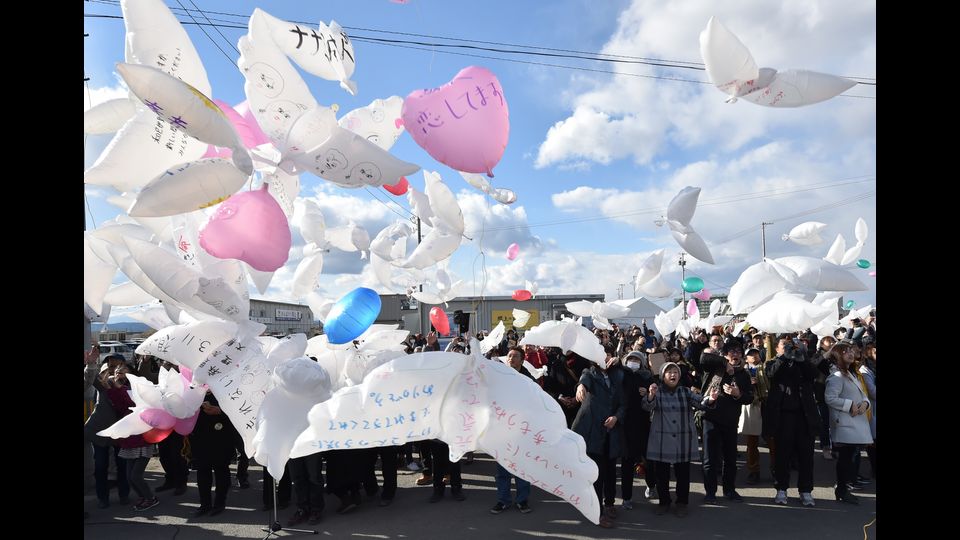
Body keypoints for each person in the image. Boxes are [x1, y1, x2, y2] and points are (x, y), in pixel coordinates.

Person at [643, 362, 719, 518]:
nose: (673, 375)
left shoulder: (685, 391)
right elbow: (646, 407)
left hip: (682, 439)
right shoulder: (657, 392)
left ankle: (682, 503)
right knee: (662, 475)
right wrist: (650, 395)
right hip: (662, 439)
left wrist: (710, 399)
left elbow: (700, 402)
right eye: (669, 372)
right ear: (663, 376)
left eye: (675, 372)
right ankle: (664, 502)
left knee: (683, 474)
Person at [572, 343, 625, 529]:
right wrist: (580, 387)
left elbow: (623, 404)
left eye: (607, 355)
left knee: (611, 471)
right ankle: (597, 512)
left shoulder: (619, 375)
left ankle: (610, 503)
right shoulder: (590, 372)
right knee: (597, 473)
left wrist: (617, 417)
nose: (603, 359)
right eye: (600, 355)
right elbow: (583, 380)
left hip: (612, 431)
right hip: (592, 430)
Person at [764, 337, 821, 507]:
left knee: (806, 455)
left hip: (804, 416)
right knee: (782, 454)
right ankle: (781, 488)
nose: (789, 348)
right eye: (785, 345)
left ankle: (805, 490)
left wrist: (801, 357)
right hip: (783, 416)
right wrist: (785, 357)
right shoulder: (773, 362)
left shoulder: (803, 362)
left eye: (792, 345)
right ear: (777, 348)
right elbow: (771, 374)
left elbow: (814, 375)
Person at [699, 339, 752, 504]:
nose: (735, 354)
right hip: (711, 418)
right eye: (731, 351)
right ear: (725, 353)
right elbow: (703, 359)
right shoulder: (716, 366)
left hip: (730, 421)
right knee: (710, 459)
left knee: (730, 459)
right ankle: (710, 492)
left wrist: (738, 394)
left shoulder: (744, 374)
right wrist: (724, 363)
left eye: (738, 351)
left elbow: (749, 397)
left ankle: (729, 490)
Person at [824, 342, 873, 504]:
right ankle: (842, 489)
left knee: (850, 457)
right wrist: (849, 405)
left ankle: (843, 489)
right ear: (838, 355)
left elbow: (862, 394)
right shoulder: (837, 376)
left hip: (855, 422)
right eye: (845, 352)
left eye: (851, 351)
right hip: (846, 423)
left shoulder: (850, 373)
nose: (851, 354)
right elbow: (830, 398)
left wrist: (865, 403)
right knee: (846, 458)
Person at [491, 347, 535, 514]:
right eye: (509, 356)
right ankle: (503, 500)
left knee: (522, 467)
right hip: (502, 429)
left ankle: (522, 500)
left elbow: (535, 403)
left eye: (516, 356)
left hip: (521, 429)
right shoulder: (498, 377)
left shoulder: (528, 380)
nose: (511, 359)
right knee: (502, 468)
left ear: (522, 360)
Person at [85, 351, 130, 509]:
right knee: (100, 466)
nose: (115, 371)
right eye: (111, 367)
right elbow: (91, 379)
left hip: (121, 433)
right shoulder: (104, 385)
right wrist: (91, 364)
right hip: (100, 432)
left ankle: (124, 495)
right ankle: (102, 497)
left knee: (123, 465)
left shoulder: (131, 386)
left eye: (119, 367)